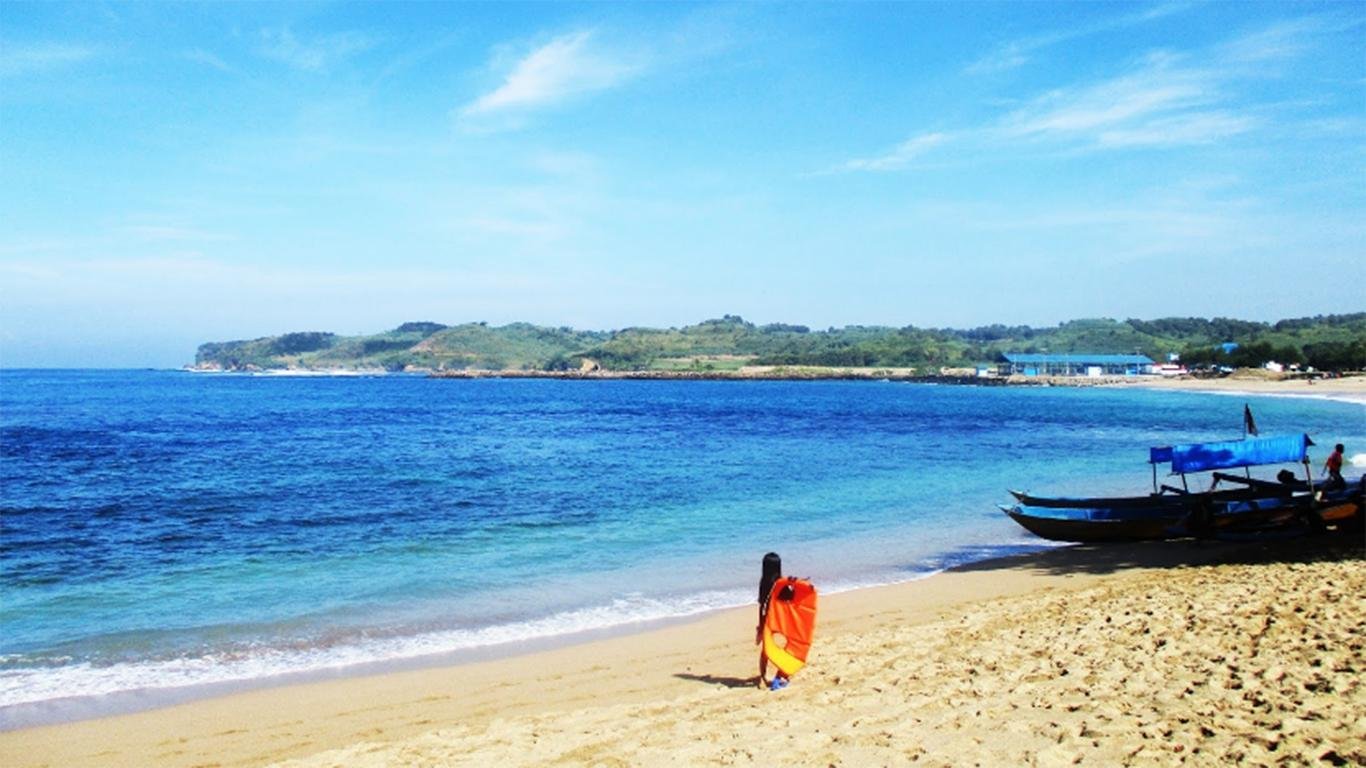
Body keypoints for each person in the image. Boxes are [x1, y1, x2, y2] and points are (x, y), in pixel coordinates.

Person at [756, 552, 787, 690]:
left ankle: (763, 675)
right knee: (781, 647)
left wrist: (760, 625)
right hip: (780, 618)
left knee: (766, 650)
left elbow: (761, 605)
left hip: (767, 619)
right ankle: (782, 671)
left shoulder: (764, 583)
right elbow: (789, 597)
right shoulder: (781, 583)